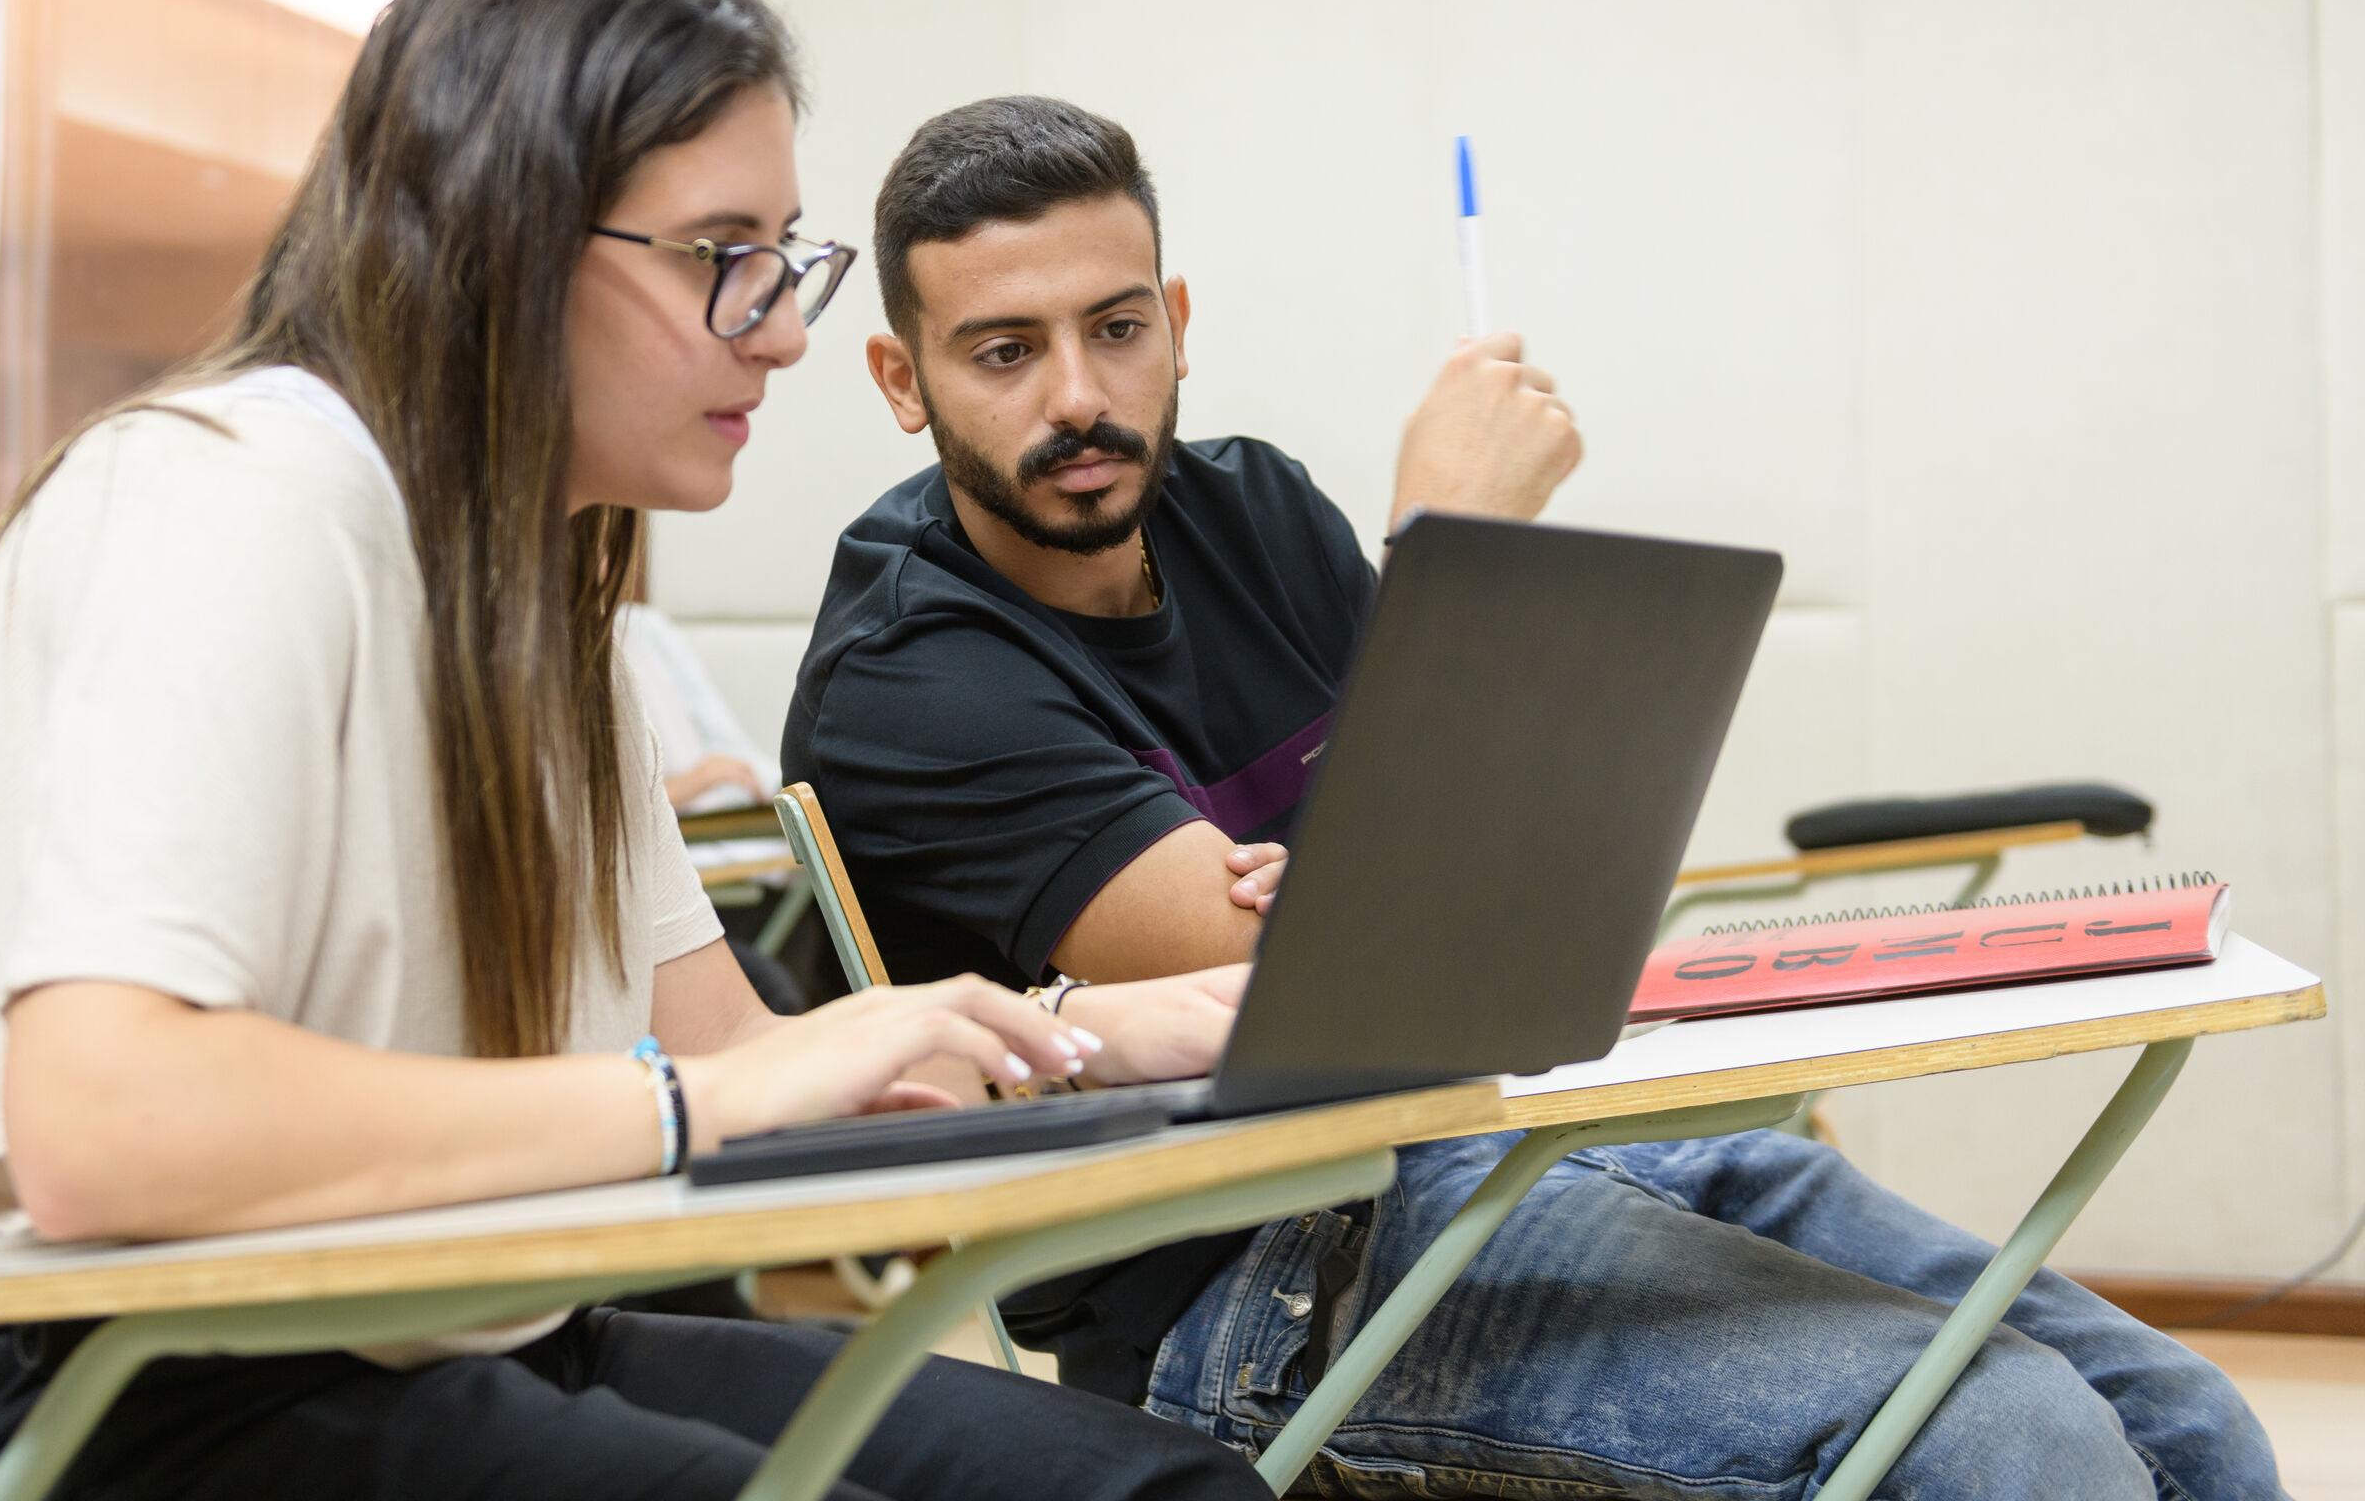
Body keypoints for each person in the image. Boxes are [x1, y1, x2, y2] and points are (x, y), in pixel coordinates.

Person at [0, 0, 1271, 1501]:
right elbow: (105, 1125)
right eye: (724, 254)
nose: (782, 329)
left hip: (452, 1324)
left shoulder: (542, 591)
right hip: (106, 1382)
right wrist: (704, 1096)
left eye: (784, 256)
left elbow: (739, 1064)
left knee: (1167, 1491)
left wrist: (1071, 1037)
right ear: (507, 236)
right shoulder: (238, 492)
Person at [782, 95, 2279, 1501]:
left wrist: (1379, 862)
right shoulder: (911, 674)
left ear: (1176, 326)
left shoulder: (1252, 507)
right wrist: (1452, 550)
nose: (1080, 396)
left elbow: (1459, 873)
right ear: (901, 378)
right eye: (1003, 352)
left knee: (2178, 1415)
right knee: (2004, 1433)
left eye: (1116, 330)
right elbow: (1345, 972)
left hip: (1516, 1126)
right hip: (1251, 1278)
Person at [618, 600, 783, 813]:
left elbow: (722, 737)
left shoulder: (644, 627)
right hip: (671, 826)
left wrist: (775, 785)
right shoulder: (568, 653)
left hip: (722, 808)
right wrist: (686, 785)